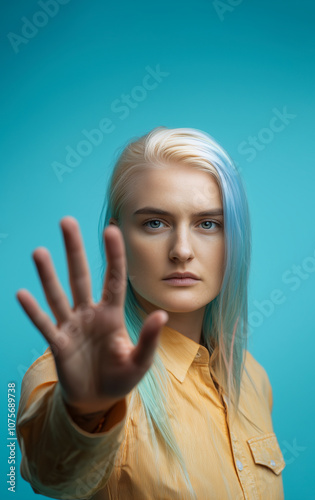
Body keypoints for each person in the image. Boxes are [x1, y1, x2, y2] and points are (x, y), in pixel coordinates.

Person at [16, 126, 286, 500]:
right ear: (118, 238)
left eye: (208, 224)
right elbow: (51, 473)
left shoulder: (252, 377)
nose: (182, 250)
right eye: (155, 223)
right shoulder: (81, 374)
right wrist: (83, 411)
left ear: (234, 239)